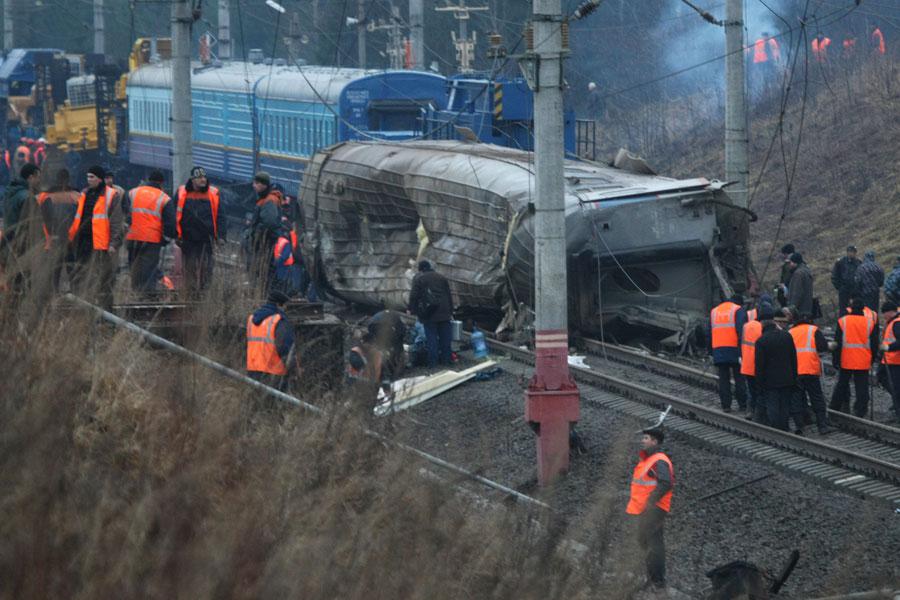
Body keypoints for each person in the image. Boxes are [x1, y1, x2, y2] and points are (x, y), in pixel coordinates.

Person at [67, 165, 124, 309]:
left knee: (105, 279)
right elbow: (78, 218)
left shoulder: (112, 195)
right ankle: (83, 307)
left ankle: (106, 311)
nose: (88, 179)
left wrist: (113, 243)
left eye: (91, 177)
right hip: (83, 242)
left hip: (101, 245)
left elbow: (116, 221)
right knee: (82, 274)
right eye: (87, 177)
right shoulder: (84, 194)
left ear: (99, 179)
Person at [625, 427, 673, 596]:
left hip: (653, 509)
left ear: (655, 442)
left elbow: (666, 483)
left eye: (646, 438)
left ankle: (658, 583)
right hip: (646, 509)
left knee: (654, 544)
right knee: (645, 542)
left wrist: (650, 502)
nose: (642, 441)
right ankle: (652, 578)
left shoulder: (658, 460)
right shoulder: (648, 460)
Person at [125, 170, 177, 295]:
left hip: (132, 237)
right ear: (161, 183)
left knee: (135, 267)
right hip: (152, 240)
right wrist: (166, 239)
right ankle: (147, 298)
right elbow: (170, 224)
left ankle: (135, 294)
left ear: (148, 180)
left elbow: (125, 213)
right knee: (149, 270)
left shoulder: (132, 192)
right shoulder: (164, 198)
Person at [176, 166, 225, 293]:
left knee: (206, 269)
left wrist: (221, 236)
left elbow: (220, 216)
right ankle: (190, 296)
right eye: (199, 178)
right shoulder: (182, 192)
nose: (203, 180)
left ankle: (204, 295)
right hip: (188, 239)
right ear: (192, 180)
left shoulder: (213, 193)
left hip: (206, 239)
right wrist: (176, 235)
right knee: (190, 269)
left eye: (204, 177)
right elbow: (174, 213)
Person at [755, 313, 803, 433]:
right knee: (785, 404)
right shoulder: (787, 336)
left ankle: (776, 429)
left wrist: (759, 382)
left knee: (773, 404)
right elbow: (793, 358)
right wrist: (794, 376)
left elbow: (759, 364)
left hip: (770, 380)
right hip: (787, 377)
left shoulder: (761, 341)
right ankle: (784, 426)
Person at [829, 299, 877, 417]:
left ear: (850, 308)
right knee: (862, 387)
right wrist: (872, 359)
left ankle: (834, 409)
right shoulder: (870, 323)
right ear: (862, 309)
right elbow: (875, 344)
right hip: (863, 360)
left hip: (846, 359)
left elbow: (837, 343)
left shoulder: (843, 321)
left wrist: (835, 359)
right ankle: (861, 411)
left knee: (842, 385)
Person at [37, 168, 80, 291]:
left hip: (53, 239)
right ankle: (74, 293)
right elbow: (81, 218)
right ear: (68, 179)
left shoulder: (46, 196)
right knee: (72, 268)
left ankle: (54, 293)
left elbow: (45, 218)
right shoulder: (76, 196)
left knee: (55, 269)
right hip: (72, 239)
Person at [790, 313, 833, 434]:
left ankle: (800, 425)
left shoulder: (791, 332)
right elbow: (822, 347)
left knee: (797, 398)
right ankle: (822, 425)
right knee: (816, 397)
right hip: (811, 369)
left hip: (795, 371)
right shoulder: (814, 330)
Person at [1, 163, 42, 291]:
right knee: (24, 284)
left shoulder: (9, 193)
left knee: (13, 282)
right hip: (23, 247)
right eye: (38, 177)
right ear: (31, 177)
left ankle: (12, 308)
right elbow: (31, 225)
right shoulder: (27, 197)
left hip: (8, 244)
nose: (39, 180)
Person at [246, 289, 295, 391]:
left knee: (255, 403)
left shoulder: (251, 319)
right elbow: (284, 348)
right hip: (273, 372)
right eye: (285, 306)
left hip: (253, 369)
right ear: (279, 305)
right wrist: (292, 368)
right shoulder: (279, 321)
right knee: (273, 405)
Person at [408, 260, 454, 367]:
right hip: (445, 312)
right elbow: (449, 295)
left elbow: (413, 296)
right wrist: (450, 311)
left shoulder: (420, 279)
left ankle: (433, 362)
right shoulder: (441, 277)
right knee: (445, 338)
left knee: (431, 338)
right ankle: (447, 360)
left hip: (430, 313)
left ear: (421, 269)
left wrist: (412, 309)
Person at [709, 294, 748, 413]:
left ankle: (726, 405)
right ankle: (743, 405)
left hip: (719, 350)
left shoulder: (714, 311)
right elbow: (742, 331)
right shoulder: (738, 310)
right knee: (739, 378)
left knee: (723, 379)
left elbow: (708, 333)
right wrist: (743, 351)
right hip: (735, 349)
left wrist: (710, 351)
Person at [247, 171, 283, 290]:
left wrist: (256, 232)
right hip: (266, 240)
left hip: (266, 241)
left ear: (264, 185)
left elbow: (269, 222)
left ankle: (265, 293)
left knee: (265, 269)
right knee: (264, 269)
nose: (254, 185)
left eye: (256, 183)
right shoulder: (266, 199)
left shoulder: (269, 200)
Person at [740, 303, 764, 421]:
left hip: (747, 364)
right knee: (760, 390)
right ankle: (759, 415)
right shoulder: (763, 327)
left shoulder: (746, 326)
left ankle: (750, 411)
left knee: (751, 390)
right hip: (759, 365)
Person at [367, 309, 407, 379]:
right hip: (381, 324)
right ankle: (392, 368)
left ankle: (380, 367)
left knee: (381, 346)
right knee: (394, 347)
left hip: (372, 324)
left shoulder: (395, 317)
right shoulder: (399, 323)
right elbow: (399, 337)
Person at [880, 302, 900, 422]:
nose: (884, 316)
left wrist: (888, 348)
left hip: (895, 360)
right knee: (882, 377)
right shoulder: (893, 322)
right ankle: (896, 404)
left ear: (889, 312)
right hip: (889, 359)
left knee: (895, 386)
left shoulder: (897, 323)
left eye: (884, 313)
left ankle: (898, 409)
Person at [831, 245, 860, 317]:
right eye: (850, 251)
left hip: (855, 291)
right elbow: (834, 276)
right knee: (843, 310)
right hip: (844, 290)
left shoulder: (858, 263)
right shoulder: (840, 262)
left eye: (853, 252)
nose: (851, 253)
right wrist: (840, 287)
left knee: (855, 310)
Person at [783, 252, 814, 317]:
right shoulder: (806, 271)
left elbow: (796, 293)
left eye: (790, 262)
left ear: (795, 262)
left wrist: (791, 309)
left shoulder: (798, 274)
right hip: (807, 309)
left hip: (799, 311)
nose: (789, 265)